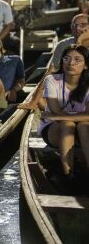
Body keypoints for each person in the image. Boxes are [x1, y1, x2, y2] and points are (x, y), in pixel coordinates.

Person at [38, 44, 89, 183]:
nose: (71, 63)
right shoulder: (52, 80)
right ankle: (68, 174)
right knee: (68, 124)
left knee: (84, 125)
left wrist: (60, 116)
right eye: (66, 58)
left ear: (86, 65)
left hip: (82, 130)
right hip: (54, 128)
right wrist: (63, 116)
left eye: (77, 60)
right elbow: (56, 111)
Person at [19, 14, 89, 110]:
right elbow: (50, 73)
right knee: (39, 98)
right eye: (74, 25)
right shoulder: (63, 45)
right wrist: (33, 101)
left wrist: (80, 41)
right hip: (67, 89)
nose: (77, 28)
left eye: (82, 24)